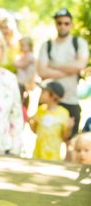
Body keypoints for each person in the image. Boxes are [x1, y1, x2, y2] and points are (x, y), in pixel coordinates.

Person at [37, 8, 89, 138]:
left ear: (71, 24)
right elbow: (42, 71)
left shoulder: (78, 43)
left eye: (66, 23)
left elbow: (81, 65)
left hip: (71, 99)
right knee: (45, 137)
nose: (62, 26)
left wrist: (53, 66)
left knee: (70, 140)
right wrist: (70, 70)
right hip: (48, 100)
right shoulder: (47, 45)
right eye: (59, 23)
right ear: (55, 23)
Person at [29, 81, 73, 161]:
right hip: (37, 154)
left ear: (53, 96)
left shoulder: (63, 112)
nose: (40, 94)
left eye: (43, 92)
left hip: (53, 156)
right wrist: (31, 122)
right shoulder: (41, 109)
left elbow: (64, 137)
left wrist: (69, 128)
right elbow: (35, 131)